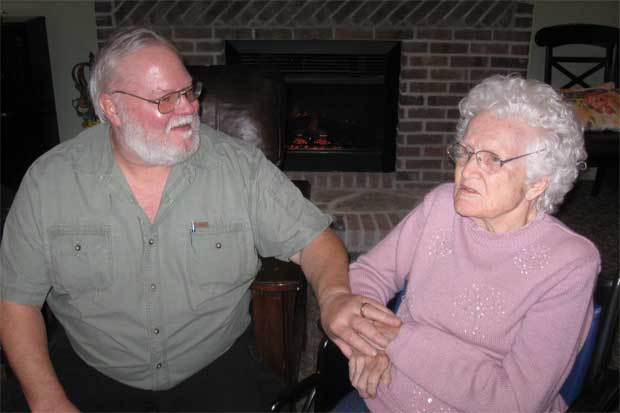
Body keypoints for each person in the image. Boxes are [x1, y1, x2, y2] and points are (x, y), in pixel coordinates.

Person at [0, 27, 400, 412]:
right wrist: (45, 400)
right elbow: (15, 302)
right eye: (166, 99)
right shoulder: (50, 181)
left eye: (189, 90)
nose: (190, 108)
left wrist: (333, 297)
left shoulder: (238, 167)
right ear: (111, 108)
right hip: (93, 362)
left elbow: (315, 239)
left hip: (213, 363)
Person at [343, 75, 600, 412]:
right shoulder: (440, 206)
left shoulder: (569, 263)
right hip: (382, 395)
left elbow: (515, 402)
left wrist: (397, 341)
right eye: (466, 152)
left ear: (537, 183)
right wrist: (370, 346)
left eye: (493, 159)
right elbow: (367, 275)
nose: (466, 171)